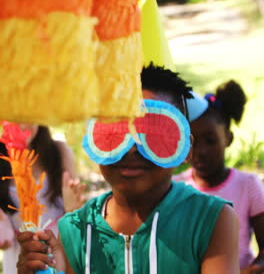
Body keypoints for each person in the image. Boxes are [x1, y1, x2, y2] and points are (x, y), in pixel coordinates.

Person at [16, 65, 239, 274]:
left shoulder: (211, 220)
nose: (132, 148)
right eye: (114, 131)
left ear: (185, 147)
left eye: (154, 133)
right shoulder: (73, 231)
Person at [174, 81, 264, 273]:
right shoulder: (176, 187)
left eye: (210, 140)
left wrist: (254, 268)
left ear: (228, 138)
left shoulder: (248, 185)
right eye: (192, 141)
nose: (200, 151)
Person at [0, 125, 79, 274]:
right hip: (19, 254)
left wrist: (73, 207)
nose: (22, 123)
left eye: (28, 113)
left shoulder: (59, 150)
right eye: (14, 115)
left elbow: (76, 208)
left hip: (60, 247)